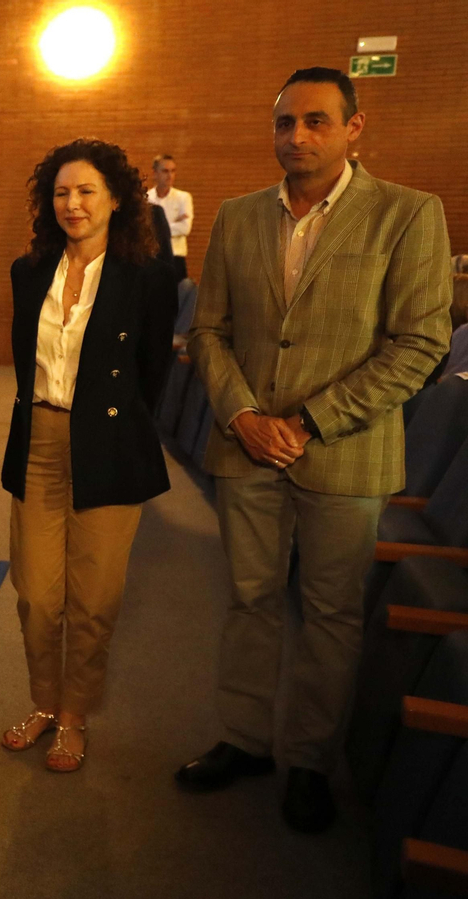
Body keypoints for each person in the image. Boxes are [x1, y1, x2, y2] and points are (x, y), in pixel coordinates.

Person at [177, 68, 452, 832]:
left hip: (346, 450)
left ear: (355, 128)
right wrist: (241, 414)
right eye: (285, 122)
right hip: (247, 446)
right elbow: (209, 332)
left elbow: (420, 343)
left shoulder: (407, 213)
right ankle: (244, 738)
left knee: (331, 613)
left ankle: (307, 760)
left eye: (317, 121)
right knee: (250, 598)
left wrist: (310, 422)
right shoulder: (237, 216)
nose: (296, 136)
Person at [0, 139, 179, 773]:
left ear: (115, 199)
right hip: (39, 444)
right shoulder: (30, 271)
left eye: (86, 192)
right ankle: (43, 703)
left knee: (94, 598)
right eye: (61, 193)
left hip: (110, 445)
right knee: (36, 596)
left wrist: (122, 427)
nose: (72, 205)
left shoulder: (150, 277)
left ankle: (74, 715)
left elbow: (153, 371)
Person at [146, 154, 193, 279]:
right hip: (151, 257)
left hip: (176, 257)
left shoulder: (183, 198)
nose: (170, 176)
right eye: (165, 171)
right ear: (154, 173)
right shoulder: (146, 198)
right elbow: (142, 230)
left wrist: (157, 227)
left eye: (173, 171)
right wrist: (173, 223)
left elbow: (185, 228)